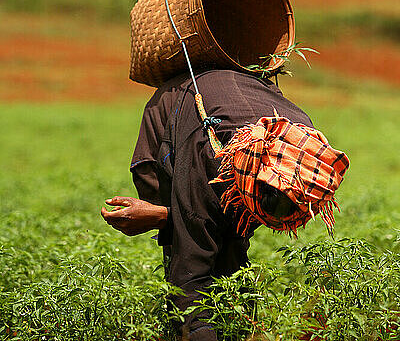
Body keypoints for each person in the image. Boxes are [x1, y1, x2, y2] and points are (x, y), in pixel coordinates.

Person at [101, 68, 349, 341]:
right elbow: (191, 275)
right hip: (172, 115)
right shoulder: (210, 160)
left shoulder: (302, 148)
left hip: (236, 99)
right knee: (188, 264)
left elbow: (232, 215)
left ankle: (234, 324)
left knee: (228, 244)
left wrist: (169, 216)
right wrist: (167, 215)